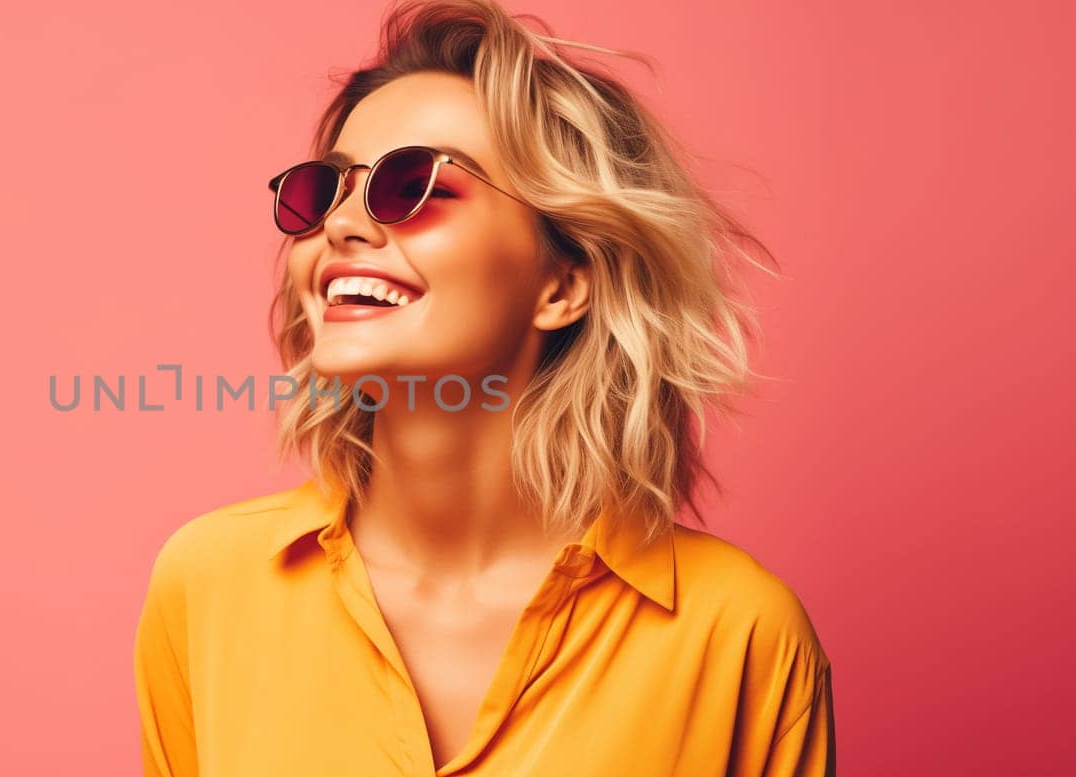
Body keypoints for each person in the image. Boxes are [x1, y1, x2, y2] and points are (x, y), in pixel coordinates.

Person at [133, 0, 835, 774]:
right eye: (323, 190)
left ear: (563, 285)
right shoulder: (208, 586)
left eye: (411, 185)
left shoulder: (738, 635)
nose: (340, 226)